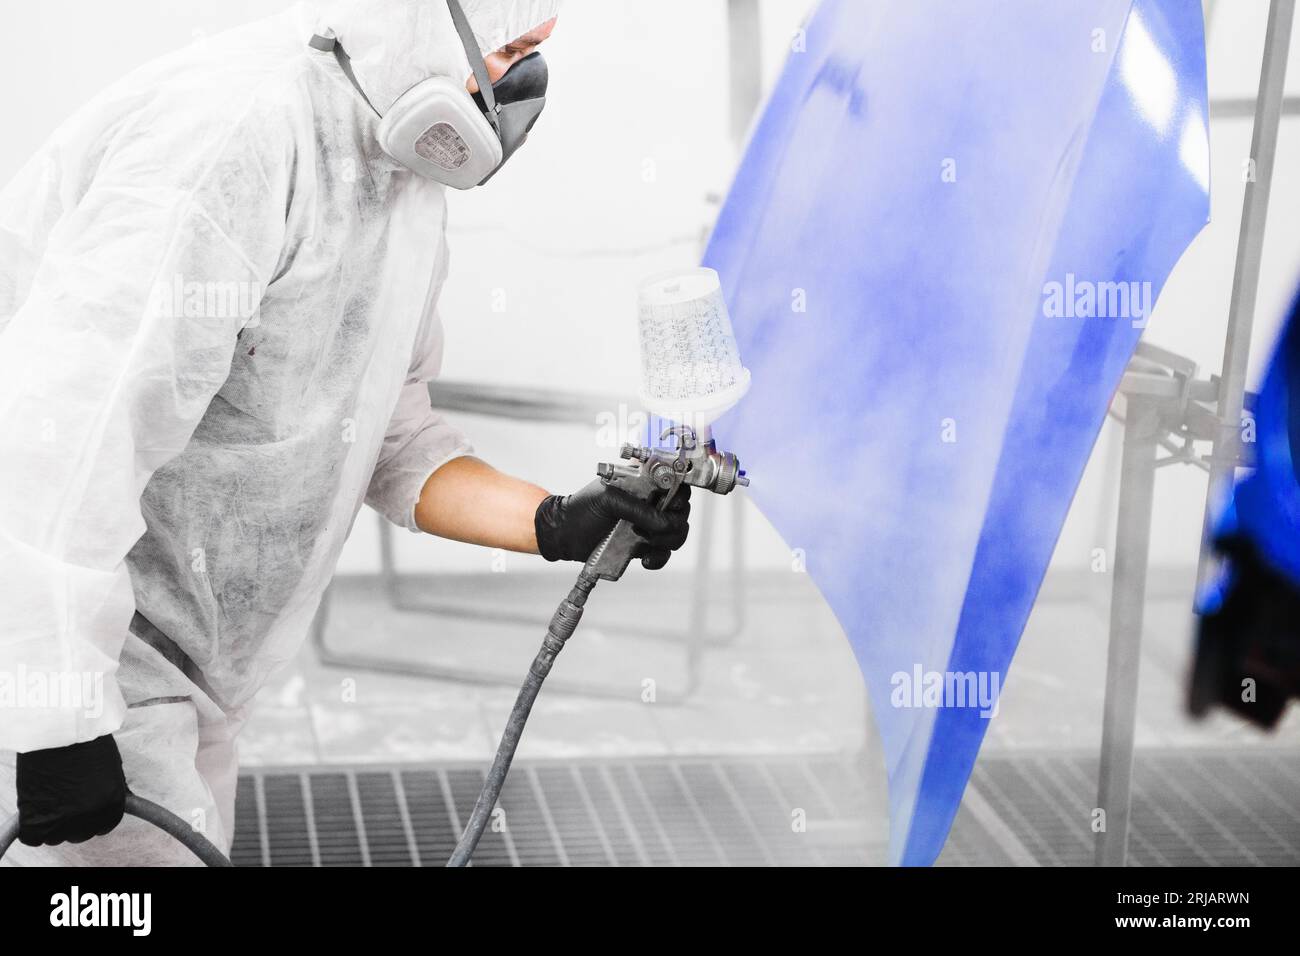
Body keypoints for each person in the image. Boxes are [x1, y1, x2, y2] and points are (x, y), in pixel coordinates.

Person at [0, 0, 690, 866]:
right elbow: (55, 442)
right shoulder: (229, 139)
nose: (521, 79)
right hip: (61, 665)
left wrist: (554, 521)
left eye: (533, 47)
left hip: (189, 688)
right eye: (508, 44)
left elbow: (391, 432)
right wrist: (55, 714)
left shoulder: (400, 179)